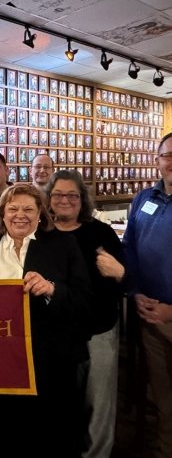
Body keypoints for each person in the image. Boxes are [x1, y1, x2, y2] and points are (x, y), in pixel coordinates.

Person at [0, 183, 94, 457]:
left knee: (45, 438)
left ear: (40, 214)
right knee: (0, 435)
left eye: (28, 209)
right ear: (2, 213)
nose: (20, 215)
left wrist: (51, 289)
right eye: (13, 209)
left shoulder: (62, 245)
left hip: (47, 364)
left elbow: (85, 300)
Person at [46, 170, 124, 458]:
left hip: (97, 330)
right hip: (56, 333)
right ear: (48, 198)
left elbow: (123, 278)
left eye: (72, 195)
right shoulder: (42, 233)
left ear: (83, 199)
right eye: (58, 194)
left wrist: (120, 273)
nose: (65, 200)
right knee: (62, 402)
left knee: (98, 404)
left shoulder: (101, 233)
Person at [123, 132, 172, 458]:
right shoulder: (144, 199)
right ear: (157, 161)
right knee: (163, 398)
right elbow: (130, 248)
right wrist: (136, 292)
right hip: (151, 317)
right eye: (167, 155)